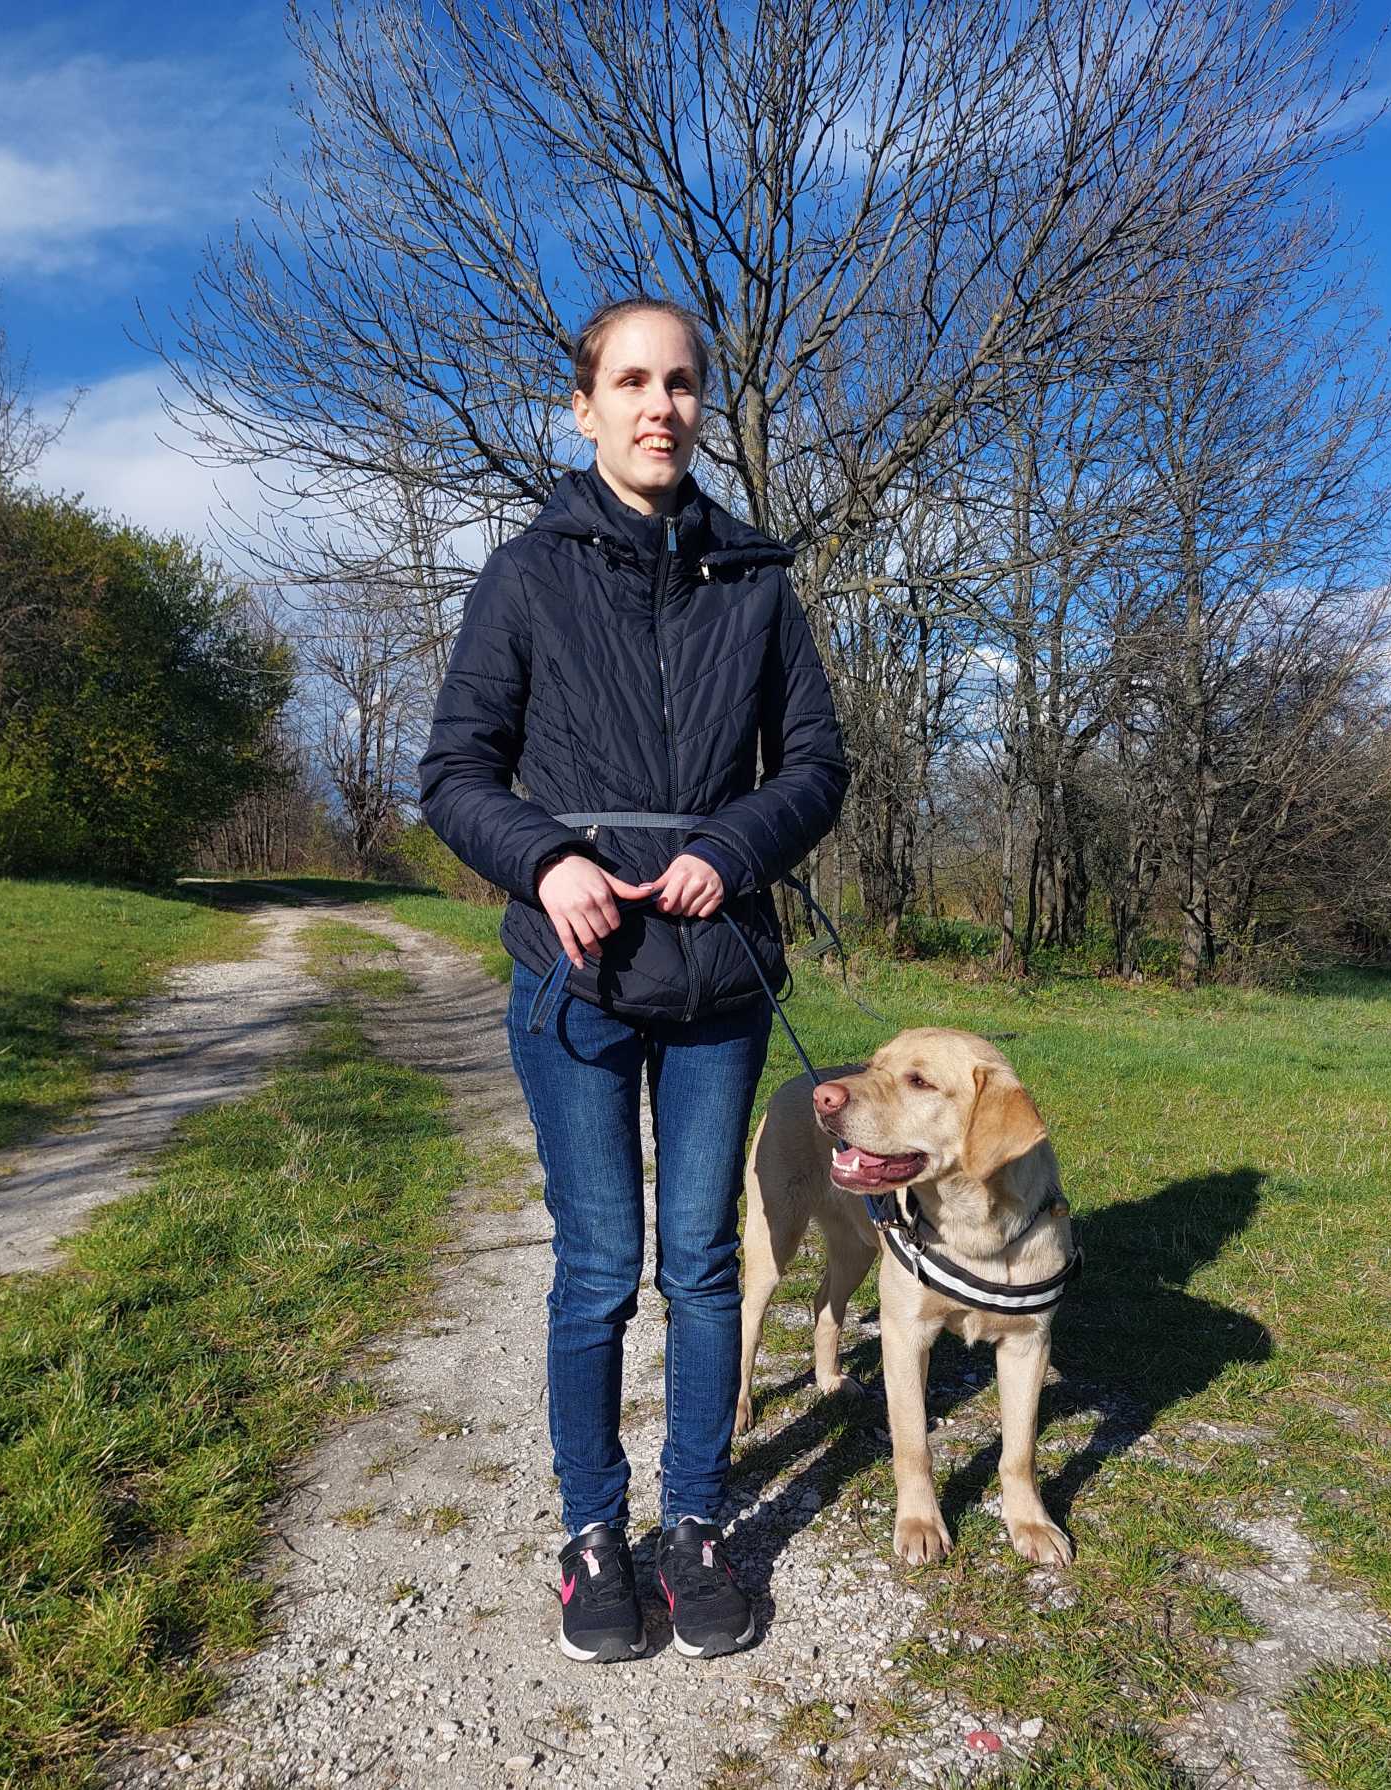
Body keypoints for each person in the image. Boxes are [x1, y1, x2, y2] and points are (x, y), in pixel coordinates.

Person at [418, 297, 849, 1663]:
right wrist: (545, 862)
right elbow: (455, 774)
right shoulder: (524, 576)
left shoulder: (757, 580)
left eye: (681, 383)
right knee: (600, 1266)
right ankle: (595, 1535)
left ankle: (698, 1524)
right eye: (633, 382)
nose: (661, 406)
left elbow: (817, 767)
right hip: (576, 982)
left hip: (720, 977)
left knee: (705, 1263)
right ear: (585, 404)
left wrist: (733, 847)